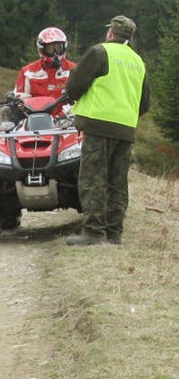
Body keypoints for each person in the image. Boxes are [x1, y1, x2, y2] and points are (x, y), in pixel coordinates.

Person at [65, 15, 150, 246]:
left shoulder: (100, 52)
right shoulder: (138, 62)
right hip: (125, 130)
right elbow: (145, 104)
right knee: (117, 182)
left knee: (93, 178)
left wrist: (71, 98)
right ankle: (114, 233)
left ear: (111, 33)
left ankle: (93, 232)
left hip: (98, 124)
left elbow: (75, 85)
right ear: (130, 37)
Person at [3, 27, 76, 124]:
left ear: (64, 47)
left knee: (79, 135)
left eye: (58, 48)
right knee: (8, 114)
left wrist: (64, 113)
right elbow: (22, 98)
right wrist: (20, 104)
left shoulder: (74, 70)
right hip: (34, 120)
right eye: (50, 48)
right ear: (42, 49)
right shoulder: (28, 72)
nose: (55, 53)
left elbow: (81, 98)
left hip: (67, 119)